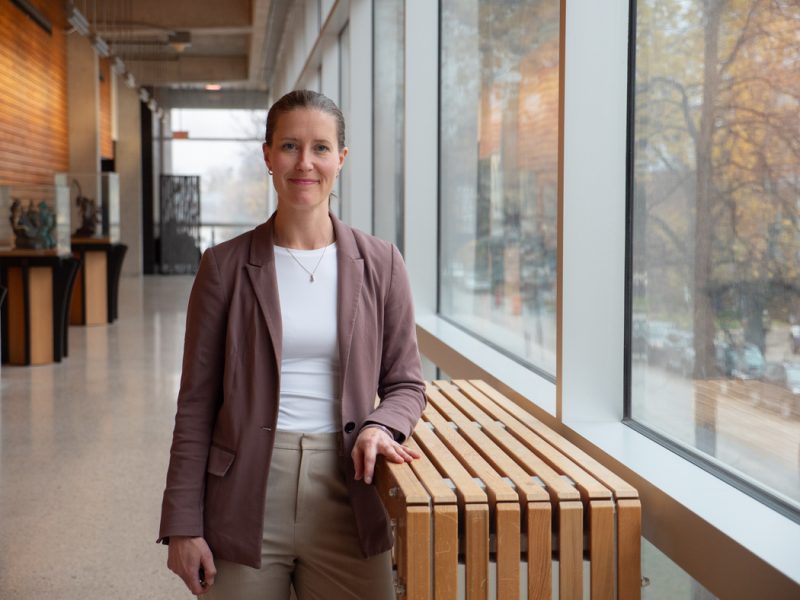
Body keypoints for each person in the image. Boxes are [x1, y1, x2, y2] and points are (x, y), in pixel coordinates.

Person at [158, 89, 426, 599]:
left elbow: (407, 383)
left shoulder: (382, 263)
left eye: (321, 148)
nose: (305, 163)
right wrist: (182, 525)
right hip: (245, 494)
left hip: (349, 489)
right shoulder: (224, 267)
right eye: (289, 147)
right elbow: (195, 405)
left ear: (341, 160)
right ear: (267, 156)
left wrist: (379, 426)